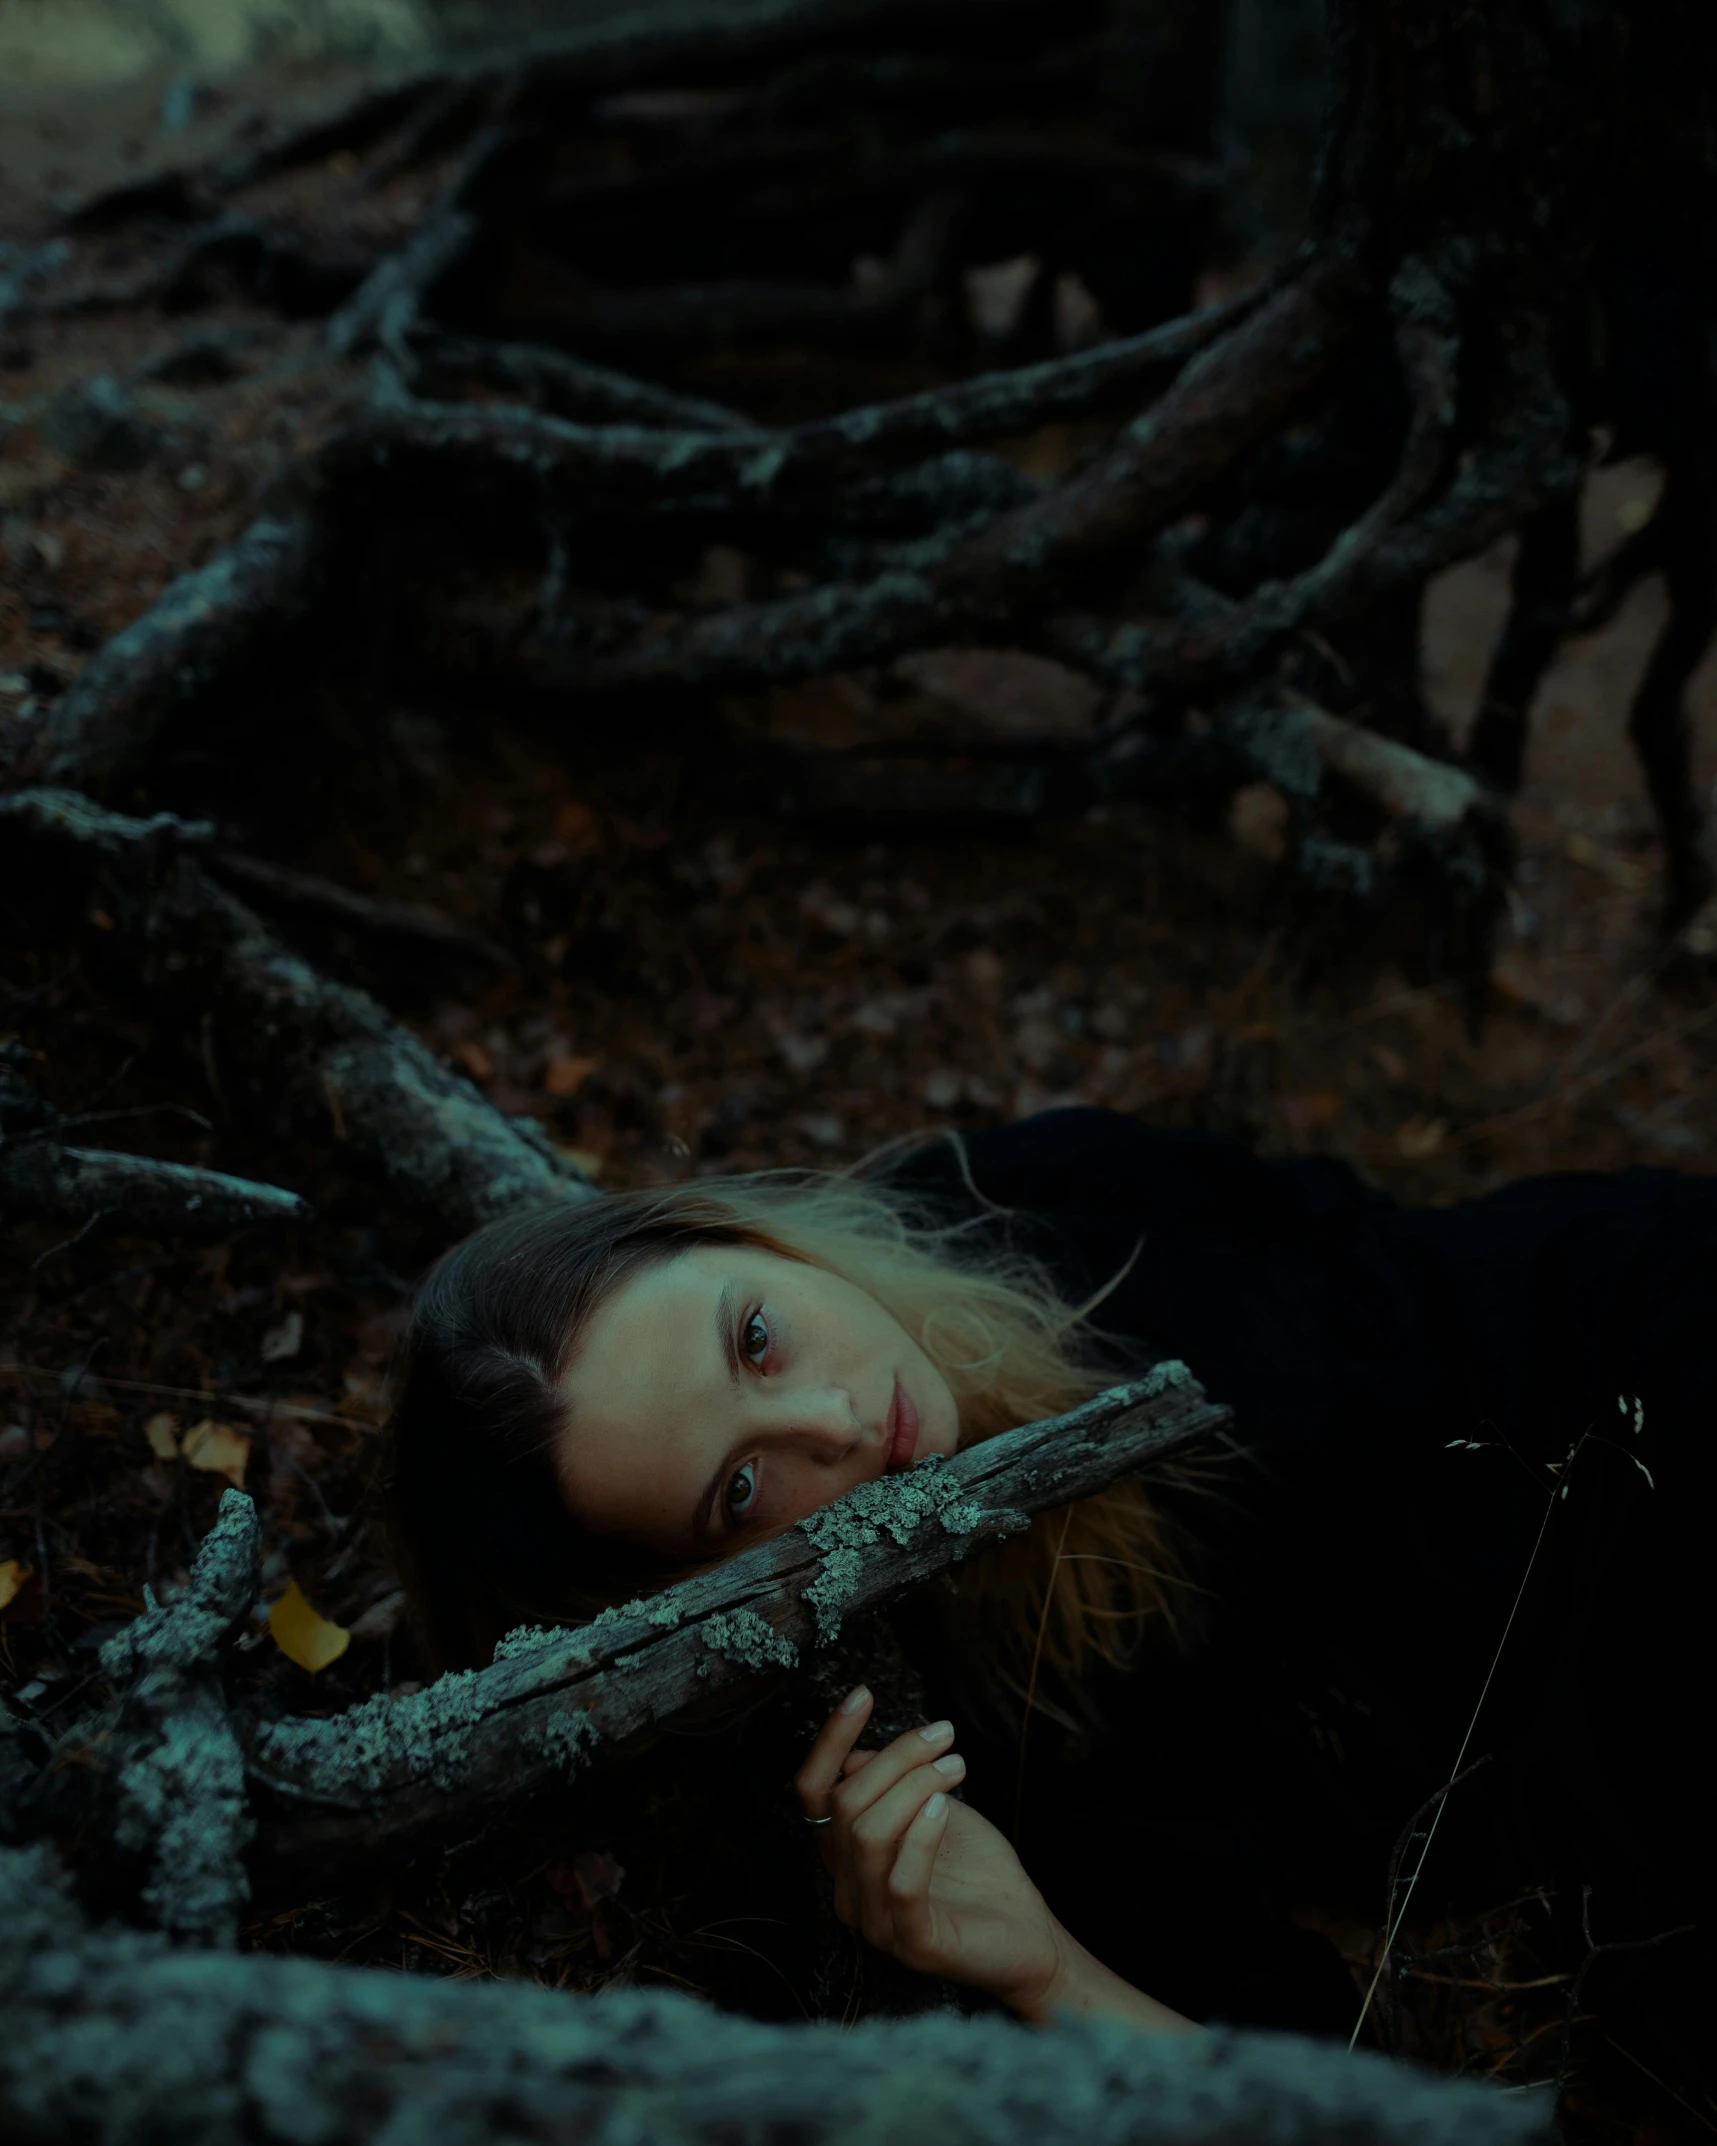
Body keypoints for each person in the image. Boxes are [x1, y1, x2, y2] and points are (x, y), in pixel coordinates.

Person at [387, 1107, 1716, 2076]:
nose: (838, 1420)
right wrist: (1045, 1966)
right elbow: (1321, 2097)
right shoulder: (984, 1736)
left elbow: (1319, 1202)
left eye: (756, 1335)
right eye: (738, 1490)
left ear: (744, 1236)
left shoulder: (989, 1192)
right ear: (697, 1590)